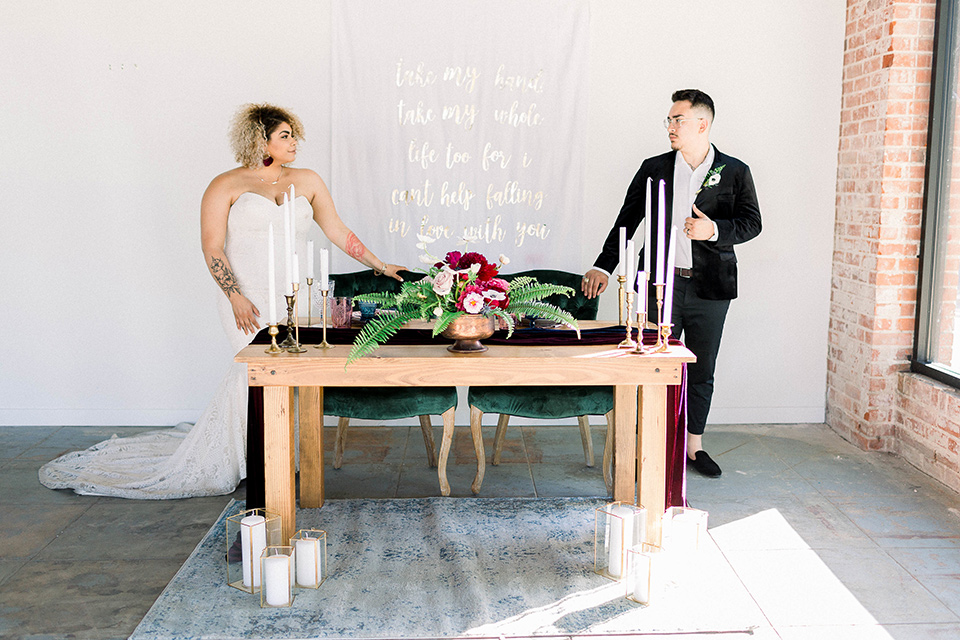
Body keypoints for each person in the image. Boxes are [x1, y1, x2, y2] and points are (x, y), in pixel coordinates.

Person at [39, 103, 405, 498]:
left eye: (293, 134)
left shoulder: (308, 179)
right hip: (247, 297)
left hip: (298, 296)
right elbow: (212, 248)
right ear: (260, 140)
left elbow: (337, 230)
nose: (294, 141)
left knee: (293, 373)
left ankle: (281, 455)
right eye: (285, 135)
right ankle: (238, 458)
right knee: (252, 372)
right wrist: (234, 295)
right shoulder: (225, 184)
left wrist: (380, 265)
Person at [582, 89, 761, 478]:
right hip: (658, 285)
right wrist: (603, 267)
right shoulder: (654, 168)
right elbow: (627, 222)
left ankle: (693, 447)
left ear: (702, 124)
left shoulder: (734, 171)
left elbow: (752, 223)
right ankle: (648, 444)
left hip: (711, 289)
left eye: (677, 120)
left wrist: (714, 229)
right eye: (668, 120)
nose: (670, 127)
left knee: (701, 368)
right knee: (651, 366)